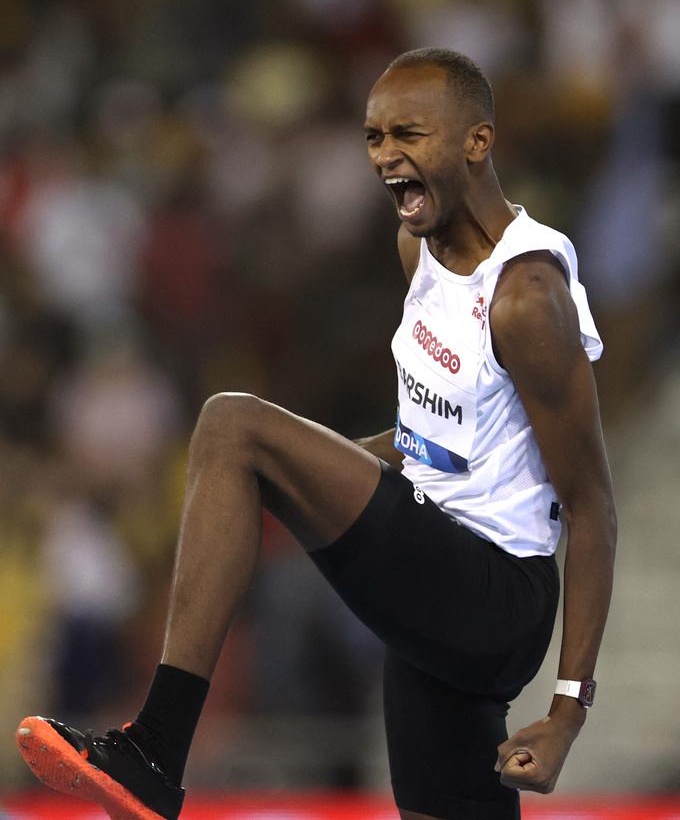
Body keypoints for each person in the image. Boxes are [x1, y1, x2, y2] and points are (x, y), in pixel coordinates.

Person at [16, 48, 617, 820]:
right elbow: (431, 438)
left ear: (477, 141)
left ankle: (155, 749)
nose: (384, 156)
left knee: (231, 423)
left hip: (493, 598)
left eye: (408, 133)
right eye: (372, 137)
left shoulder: (526, 297)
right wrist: (295, 483)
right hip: (433, 587)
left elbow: (594, 506)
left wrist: (569, 710)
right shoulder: (420, 250)